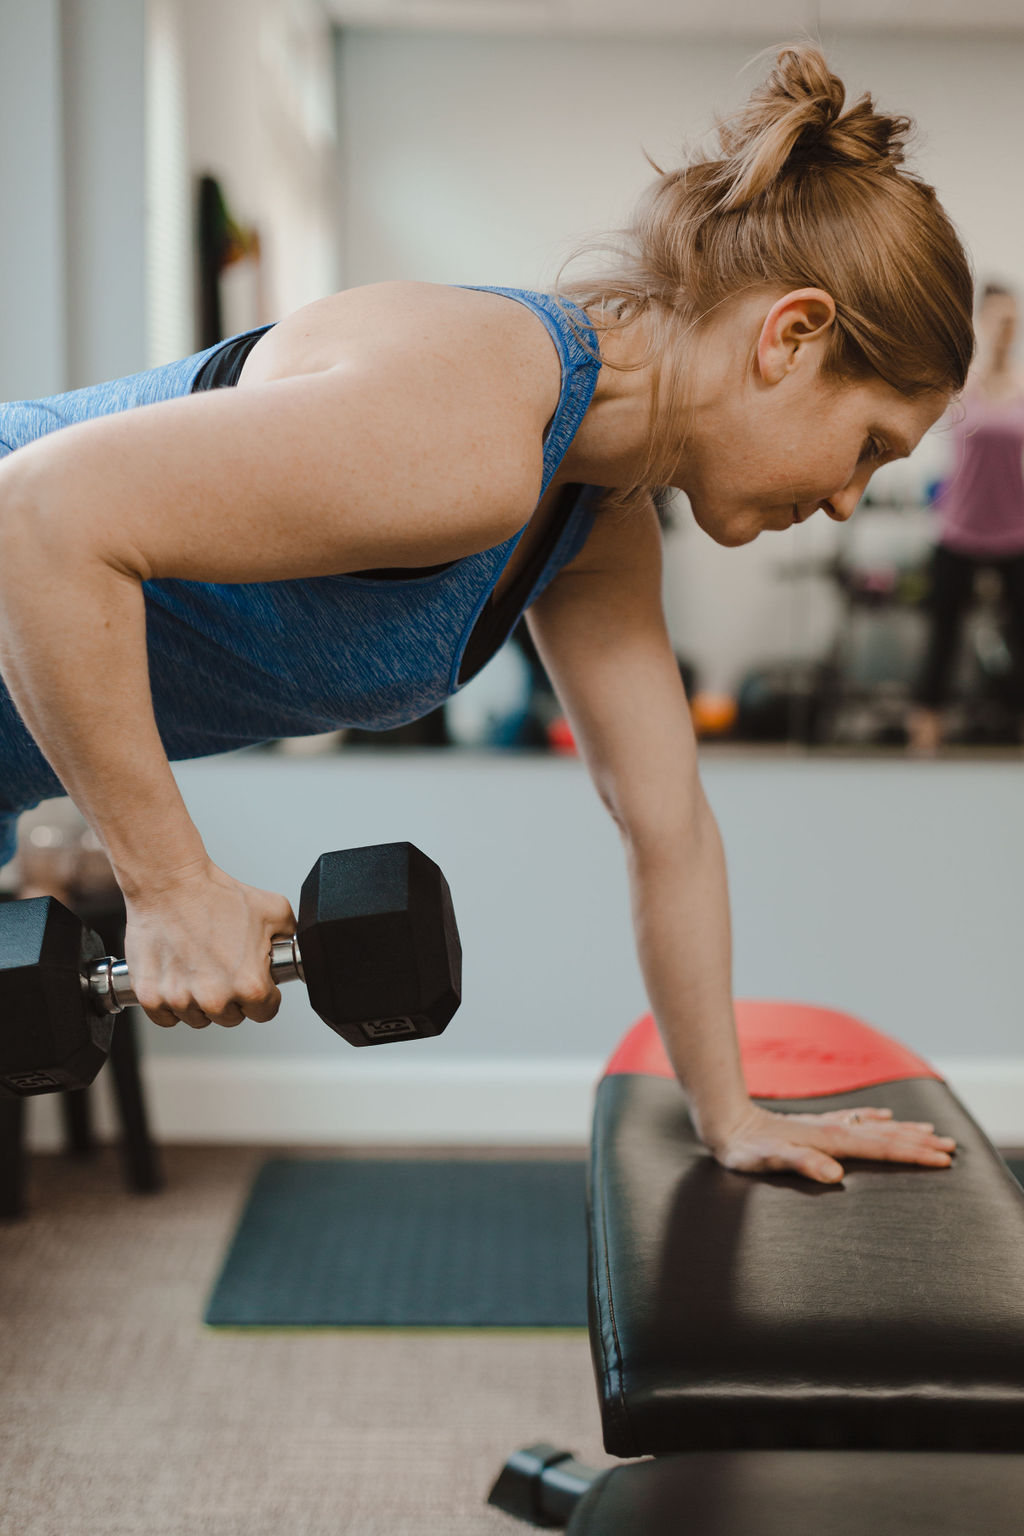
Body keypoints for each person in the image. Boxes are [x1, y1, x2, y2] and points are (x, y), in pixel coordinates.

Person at [0, 45, 965, 1184]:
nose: (850, 500)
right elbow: (37, 518)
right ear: (790, 336)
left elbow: (668, 826)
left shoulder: (591, 525)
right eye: (869, 444)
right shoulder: (485, 409)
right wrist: (169, 885)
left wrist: (731, 1112)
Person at [908, 283, 1024, 751]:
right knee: (942, 637)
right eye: (997, 319)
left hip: (1015, 531)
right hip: (958, 529)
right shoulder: (959, 386)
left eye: (1012, 320)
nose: (1005, 328)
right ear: (982, 323)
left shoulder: (1023, 386)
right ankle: (925, 737)